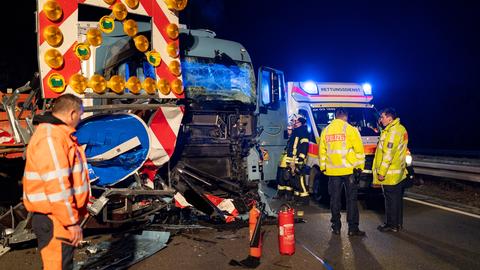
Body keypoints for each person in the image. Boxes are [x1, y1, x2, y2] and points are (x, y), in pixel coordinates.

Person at [23, 94, 90, 269]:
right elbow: (58, 186)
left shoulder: (56, 135)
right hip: (55, 219)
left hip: (55, 217)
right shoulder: (52, 138)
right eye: (80, 115)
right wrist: (71, 222)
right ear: (72, 113)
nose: (80, 119)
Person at [319, 108, 365, 236]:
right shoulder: (350, 129)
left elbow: (322, 152)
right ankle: (352, 228)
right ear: (346, 116)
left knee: (335, 200)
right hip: (349, 170)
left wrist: (323, 167)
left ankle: (336, 227)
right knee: (351, 199)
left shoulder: (326, 130)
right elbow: (359, 151)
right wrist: (359, 167)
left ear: (335, 116)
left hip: (333, 172)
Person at [373, 108, 409, 233]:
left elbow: (388, 154)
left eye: (382, 117)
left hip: (390, 173)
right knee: (397, 199)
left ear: (390, 118)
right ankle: (398, 223)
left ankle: (391, 225)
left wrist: (381, 173)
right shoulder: (401, 129)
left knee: (390, 200)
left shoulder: (392, 132)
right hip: (399, 171)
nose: (381, 119)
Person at [285, 113, 310, 205]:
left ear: (301, 122)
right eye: (294, 121)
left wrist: (300, 160)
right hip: (292, 160)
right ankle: (297, 198)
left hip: (297, 160)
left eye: (296, 121)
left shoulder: (302, 132)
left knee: (300, 180)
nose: (294, 123)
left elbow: (304, 146)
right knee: (294, 181)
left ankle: (304, 200)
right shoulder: (296, 131)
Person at [275, 124, 294, 201]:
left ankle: (288, 196)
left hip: (287, 163)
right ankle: (280, 194)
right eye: (288, 130)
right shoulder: (286, 139)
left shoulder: (292, 139)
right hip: (282, 163)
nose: (288, 131)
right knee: (281, 181)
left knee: (288, 181)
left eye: (290, 130)